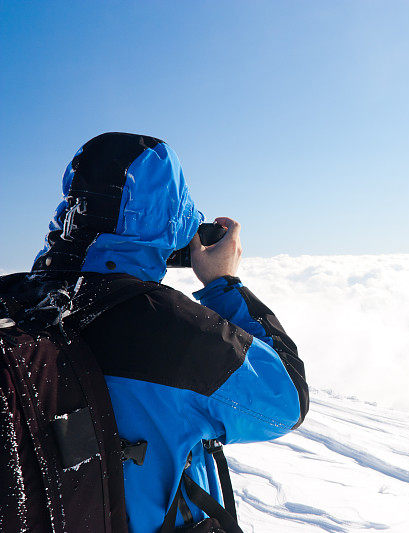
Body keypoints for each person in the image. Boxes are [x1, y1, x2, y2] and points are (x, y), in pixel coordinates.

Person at [30, 132, 309, 532]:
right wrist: (223, 284)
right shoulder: (167, 328)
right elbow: (287, 401)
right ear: (170, 218)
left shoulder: (18, 305)